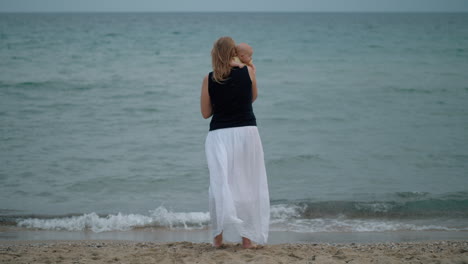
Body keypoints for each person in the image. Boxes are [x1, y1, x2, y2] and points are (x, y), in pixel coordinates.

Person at [200, 36, 270, 249]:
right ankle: (246, 240)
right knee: (247, 184)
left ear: (215, 55)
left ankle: (218, 238)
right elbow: (252, 98)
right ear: (233, 53)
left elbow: (205, 113)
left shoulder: (209, 78)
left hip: (220, 134)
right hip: (247, 131)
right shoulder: (248, 71)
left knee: (220, 184)